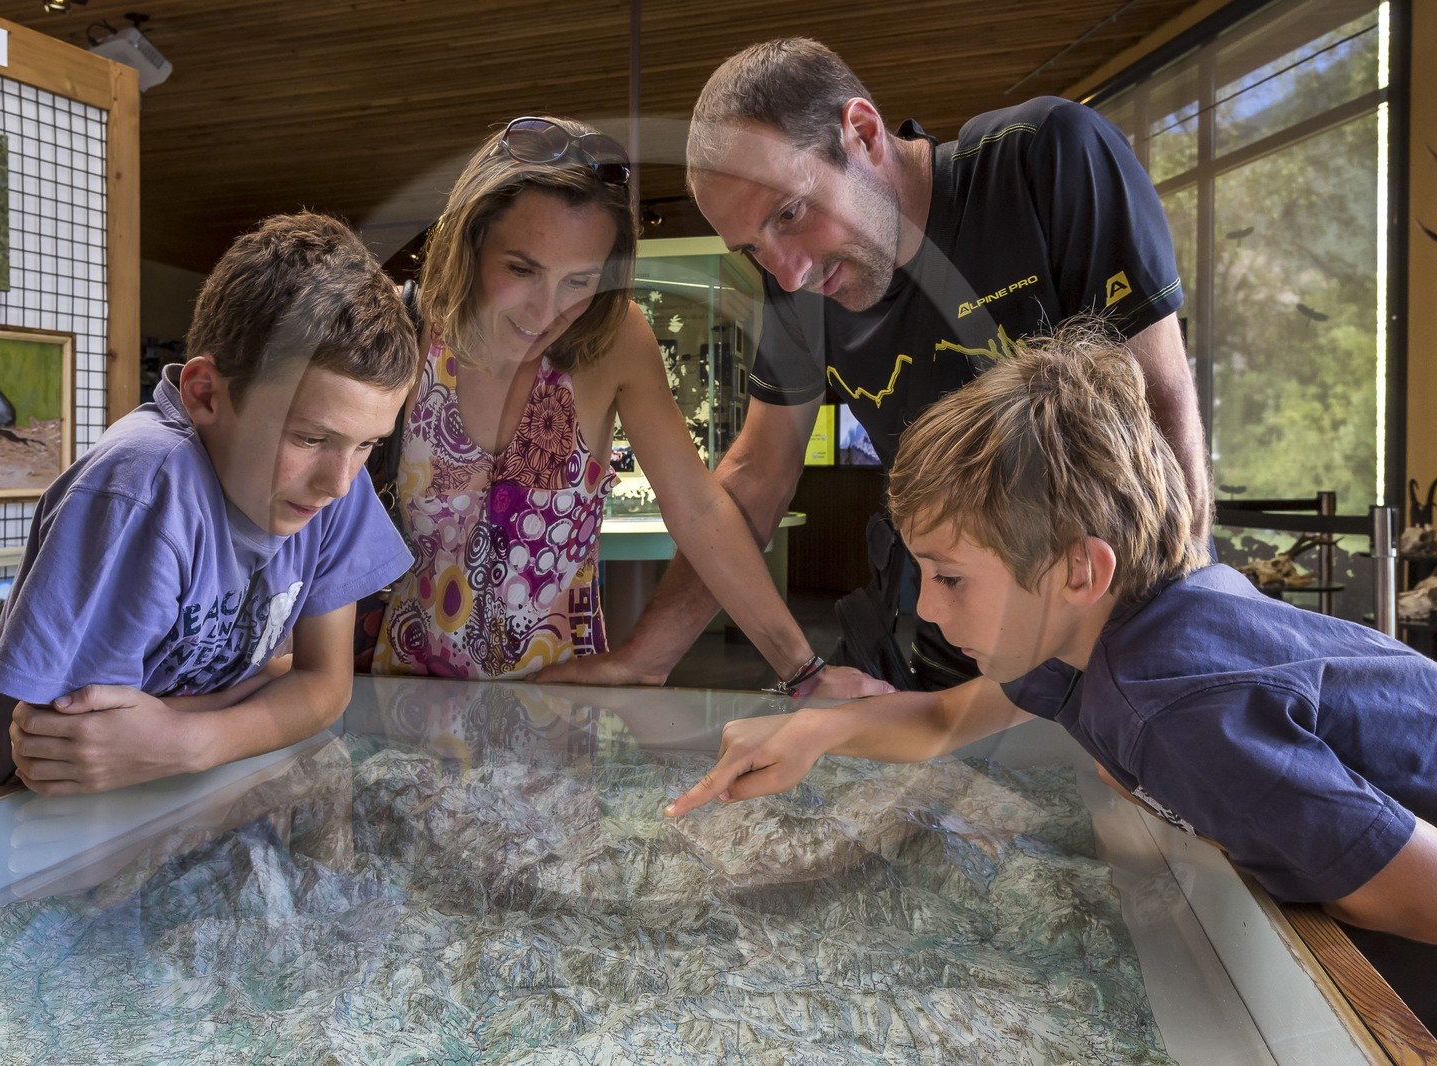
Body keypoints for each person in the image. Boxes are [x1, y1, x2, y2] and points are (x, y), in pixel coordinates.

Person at [665, 320, 1437, 1025]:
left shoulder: (1173, 706)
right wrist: (813, 731)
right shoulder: (1104, 630)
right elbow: (945, 718)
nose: (927, 610)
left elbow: (1416, 894)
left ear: (1079, 570)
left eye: (951, 577)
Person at [582, 37, 1207, 693]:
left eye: (791, 212)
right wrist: (645, 658)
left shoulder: (1044, 159)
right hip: (947, 653)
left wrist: (1154, 676)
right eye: (753, 249)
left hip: (1115, 643)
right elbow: (754, 479)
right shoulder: (797, 288)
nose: (788, 274)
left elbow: (1164, 427)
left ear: (861, 132)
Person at [0, 211, 420, 817]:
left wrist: (185, 741)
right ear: (204, 394)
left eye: (368, 445)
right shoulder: (144, 486)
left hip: (153, 809)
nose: (340, 480)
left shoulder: (328, 483)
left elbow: (326, 687)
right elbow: (64, 750)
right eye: (306, 438)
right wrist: (261, 689)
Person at [369, 115, 883, 697]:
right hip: (401, 705)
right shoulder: (404, 330)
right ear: (473, 239)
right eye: (521, 269)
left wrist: (802, 670)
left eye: (579, 281)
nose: (545, 312)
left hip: (561, 710)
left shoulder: (616, 341)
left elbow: (697, 509)